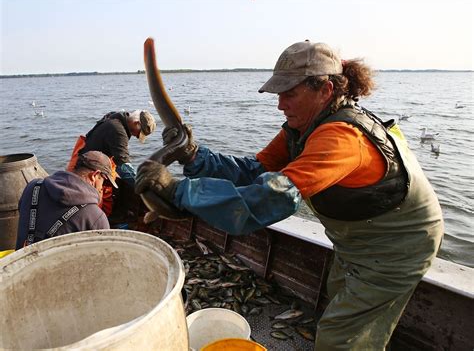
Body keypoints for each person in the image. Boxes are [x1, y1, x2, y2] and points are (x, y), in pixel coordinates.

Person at [135, 40, 444, 349]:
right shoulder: (301, 128)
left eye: (290, 94)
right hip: (356, 237)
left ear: (325, 89)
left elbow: (270, 198)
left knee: (342, 336)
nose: (280, 104)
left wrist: (177, 191)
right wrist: (193, 157)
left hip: (400, 244)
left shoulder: (342, 138)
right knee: (339, 294)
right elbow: (254, 171)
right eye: (279, 94)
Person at [16, 151, 116, 249]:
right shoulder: (96, 216)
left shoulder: (33, 187)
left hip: (19, 263)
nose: (102, 188)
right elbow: (103, 256)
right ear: (94, 176)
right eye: (104, 182)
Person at [67, 109, 156, 219]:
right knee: (92, 205)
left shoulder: (115, 117)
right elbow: (124, 167)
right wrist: (142, 188)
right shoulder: (118, 131)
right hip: (87, 171)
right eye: (139, 132)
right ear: (136, 123)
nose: (137, 136)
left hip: (87, 159)